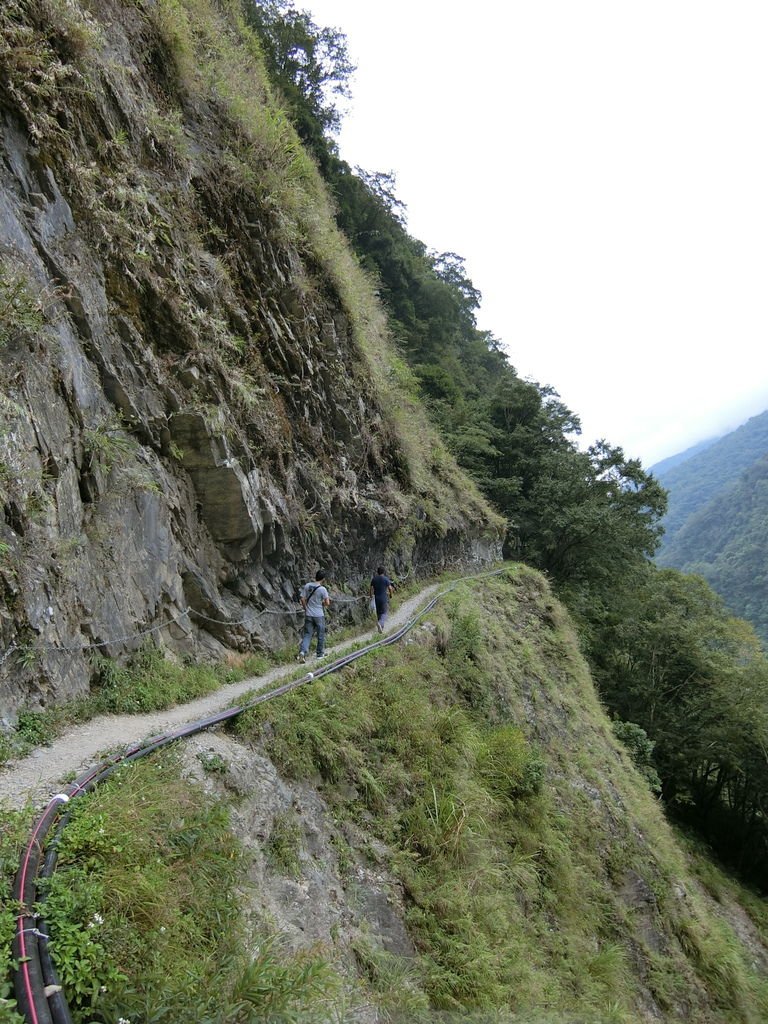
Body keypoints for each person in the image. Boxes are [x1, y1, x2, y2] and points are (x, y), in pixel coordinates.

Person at [297, 570, 331, 662]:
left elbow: (302, 599)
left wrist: (306, 608)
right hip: (319, 615)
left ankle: (302, 652)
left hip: (308, 614)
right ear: (323, 579)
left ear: (315, 576)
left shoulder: (307, 586)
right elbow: (327, 603)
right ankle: (320, 654)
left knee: (307, 634)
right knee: (320, 634)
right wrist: (321, 603)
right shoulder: (322, 589)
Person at [370, 565, 394, 634]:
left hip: (376, 598)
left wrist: (371, 596)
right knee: (384, 613)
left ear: (377, 572)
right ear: (383, 572)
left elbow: (371, 589)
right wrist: (391, 595)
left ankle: (381, 629)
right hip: (383, 598)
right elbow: (390, 588)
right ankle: (380, 623)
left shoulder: (374, 579)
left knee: (379, 612)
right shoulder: (386, 579)